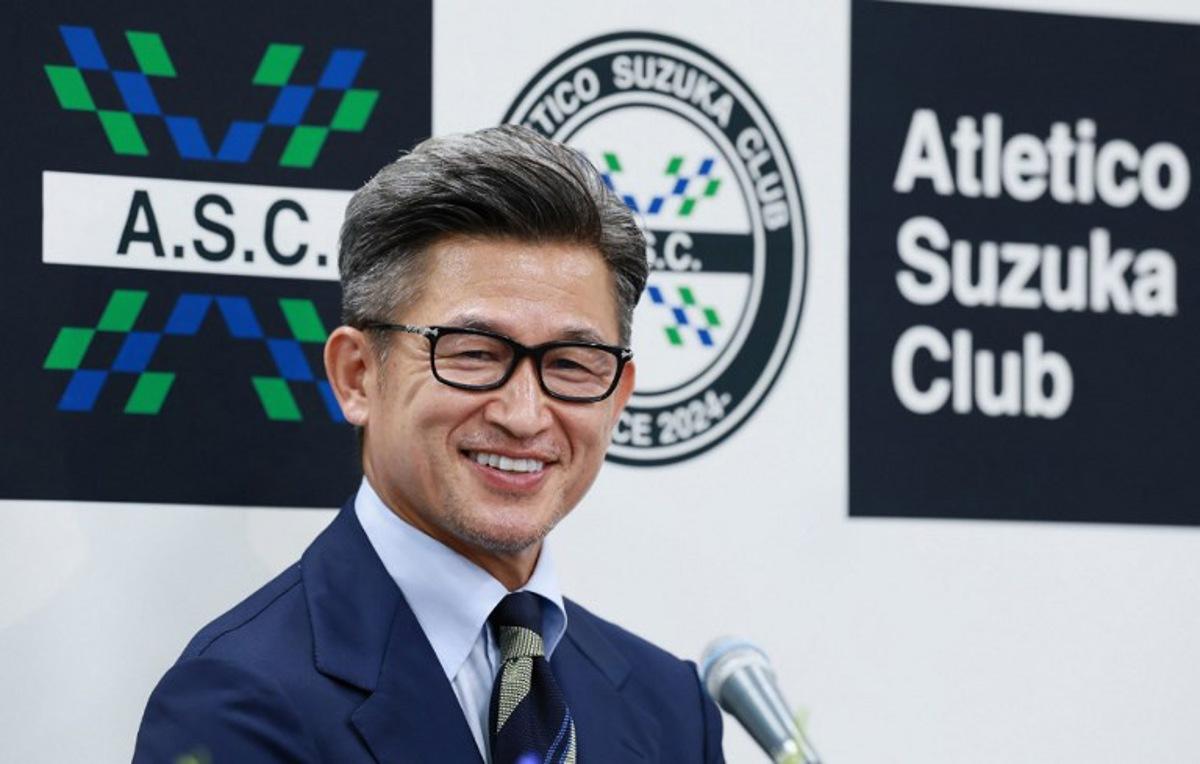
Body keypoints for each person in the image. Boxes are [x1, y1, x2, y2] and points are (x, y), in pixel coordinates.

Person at [133, 125, 725, 763]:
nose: (525, 415)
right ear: (358, 375)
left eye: (572, 365)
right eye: (473, 354)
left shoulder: (671, 709)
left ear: (618, 393)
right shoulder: (237, 701)